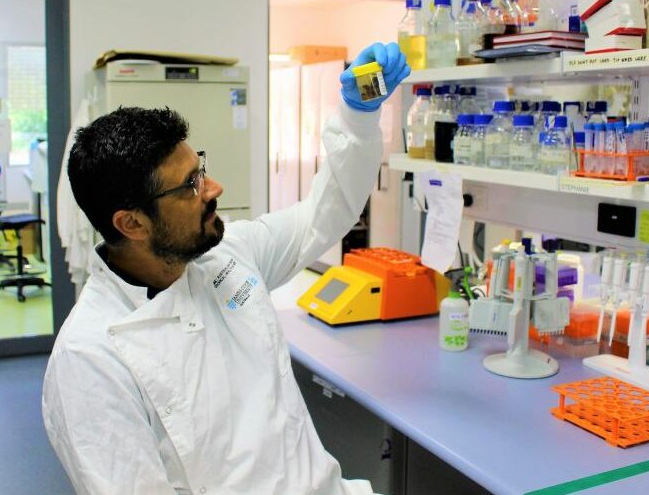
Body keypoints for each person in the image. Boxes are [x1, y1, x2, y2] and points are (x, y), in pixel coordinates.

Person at [42, 43, 410, 494]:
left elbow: (322, 215)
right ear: (132, 223)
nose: (214, 188)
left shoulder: (227, 254)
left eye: (201, 168)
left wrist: (357, 116)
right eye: (190, 185)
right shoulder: (89, 359)